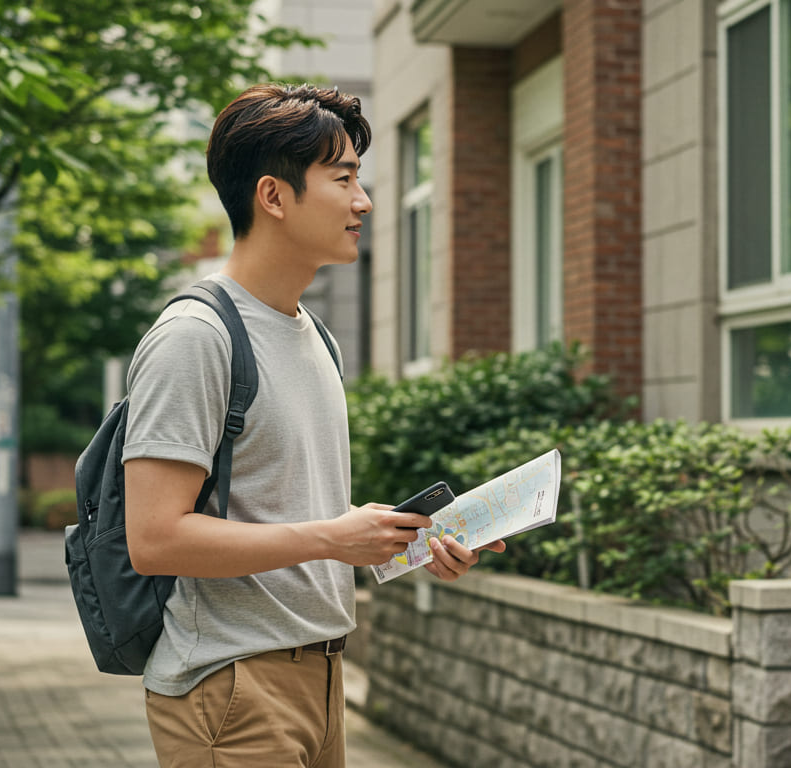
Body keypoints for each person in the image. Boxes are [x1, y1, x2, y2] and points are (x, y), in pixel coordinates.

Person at [122, 83, 505, 768]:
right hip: (232, 687)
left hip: (320, 679)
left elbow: (291, 520)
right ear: (273, 196)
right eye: (344, 178)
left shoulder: (314, 336)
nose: (364, 202)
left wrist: (402, 540)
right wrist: (332, 537)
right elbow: (154, 537)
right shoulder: (196, 336)